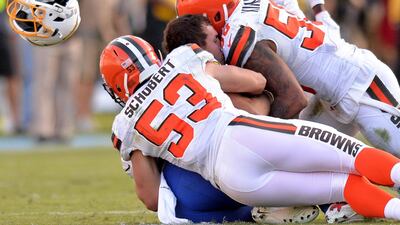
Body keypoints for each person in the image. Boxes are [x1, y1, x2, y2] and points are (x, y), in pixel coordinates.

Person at [100, 34, 400, 222]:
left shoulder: (125, 126)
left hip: (229, 181)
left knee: (341, 186)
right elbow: (252, 81)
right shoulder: (182, 60)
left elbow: (151, 198)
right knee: (353, 155)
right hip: (240, 134)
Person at [175, 0, 400, 159]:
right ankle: (343, 204)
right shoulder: (245, 9)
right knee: (312, 160)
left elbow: (293, 99)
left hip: (363, 84)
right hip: (329, 96)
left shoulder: (238, 38)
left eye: (196, 23)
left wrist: (255, 136)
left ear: (214, 16)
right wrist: (318, 10)